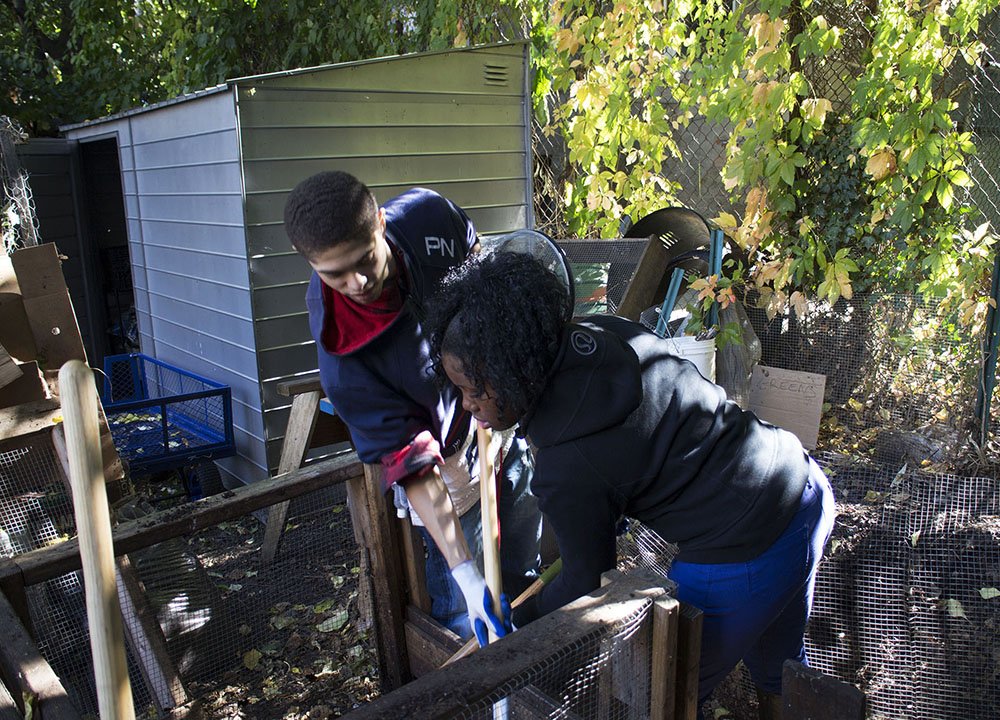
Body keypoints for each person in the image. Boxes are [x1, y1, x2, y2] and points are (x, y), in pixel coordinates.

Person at [425, 250, 835, 720]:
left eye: (475, 390)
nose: (466, 405)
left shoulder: (566, 463)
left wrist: (521, 624)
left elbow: (586, 583)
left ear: (515, 368)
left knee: (655, 695)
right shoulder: (604, 331)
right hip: (800, 481)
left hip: (744, 548)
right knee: (779, 668)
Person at [283, 171, 540, 644]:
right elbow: (416, 467)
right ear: (311, 265)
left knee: (524, 569)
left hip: (499, 425)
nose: (357, 282)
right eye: (334, 274)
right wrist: (465, 573)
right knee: (471, 622)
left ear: (380, 224)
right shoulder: (347, 366)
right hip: (448, 470)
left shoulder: (428, 217)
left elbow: (479, 267)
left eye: (365, 260)